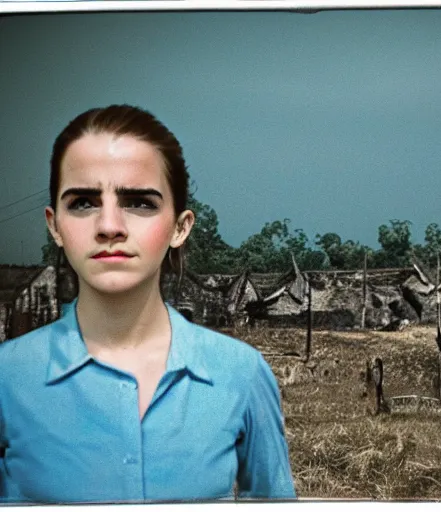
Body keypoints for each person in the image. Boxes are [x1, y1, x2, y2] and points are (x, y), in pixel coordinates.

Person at [0, 105, 296, 503]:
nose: (109, 226)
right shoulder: (8, 379)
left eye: (139, 202)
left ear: (180, 227)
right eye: (83, 202)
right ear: (55, 225)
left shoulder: (240, 373)